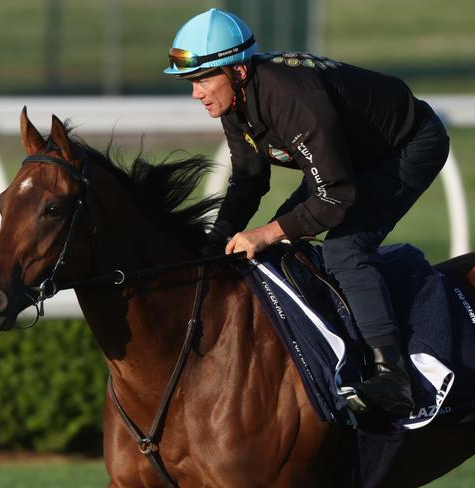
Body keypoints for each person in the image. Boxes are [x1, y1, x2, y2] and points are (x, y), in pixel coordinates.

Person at [163, 8, 449, 416]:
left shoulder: (290, 97)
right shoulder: (236, 104)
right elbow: (248, 181)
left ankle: (394, 376)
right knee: (279, 241)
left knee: (344, 249)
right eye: (192, 82)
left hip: (408, 145)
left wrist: (264, 233)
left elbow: (336, 197)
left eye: (203, 79)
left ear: (238, 72)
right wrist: (214, 240)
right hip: (353, 157)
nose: (196, 93)